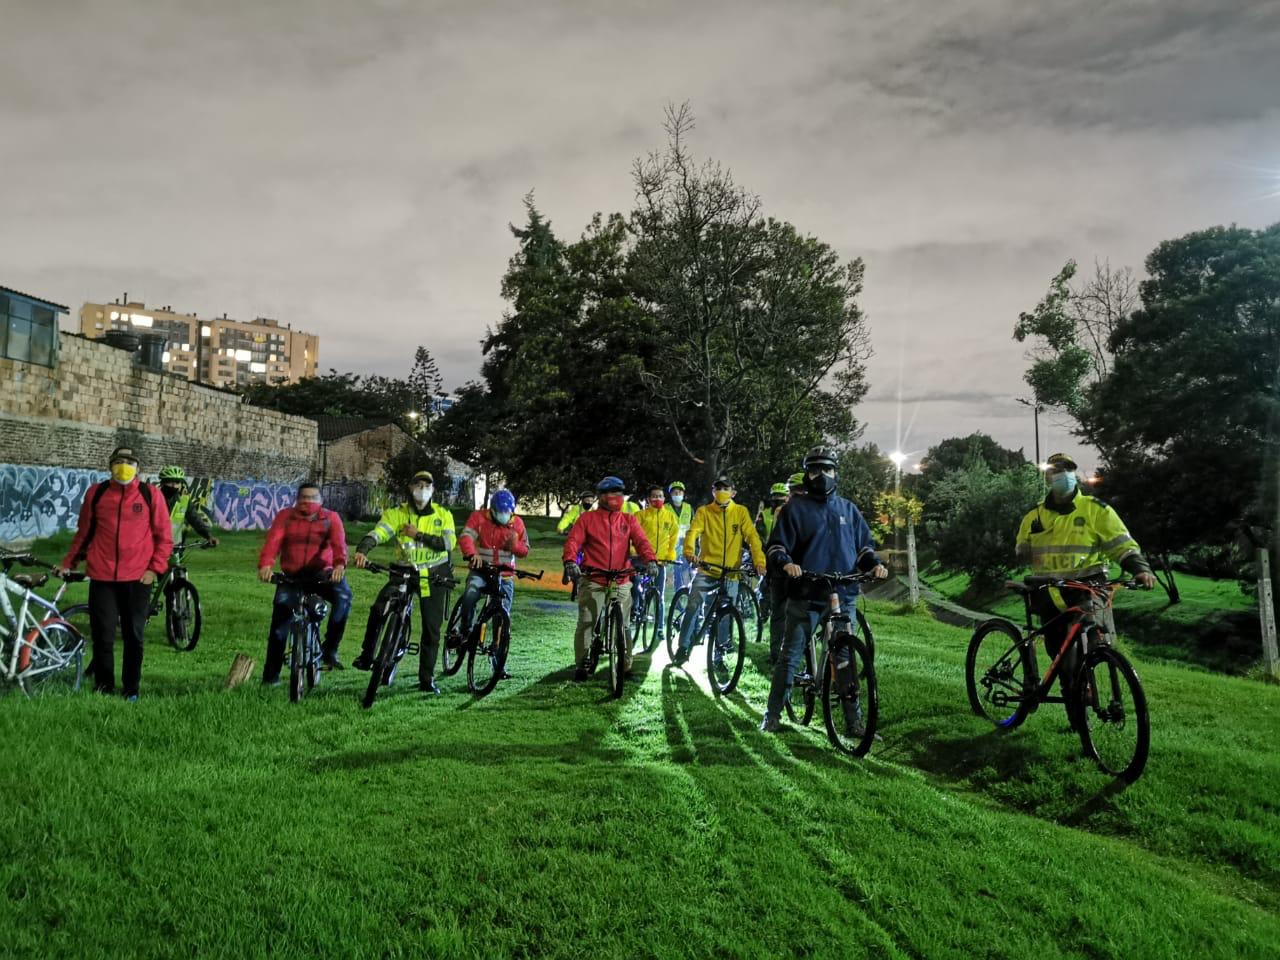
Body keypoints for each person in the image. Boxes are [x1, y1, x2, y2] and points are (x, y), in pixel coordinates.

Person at [761, 448, 888, 734]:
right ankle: (772, 715)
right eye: (815, 470)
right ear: (807, 474)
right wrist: (787, 563)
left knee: (845, 659)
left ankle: (854, 723)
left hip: (843, 592)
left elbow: (864, 547)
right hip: (807, 592)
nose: (822, 476)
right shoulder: (795, 508)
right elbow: (777, 546)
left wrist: (875, 565)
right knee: (791, 655)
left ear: (836, 473)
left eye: (827, 469)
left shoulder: (848, 509)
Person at [1015, 452, 1156, 692]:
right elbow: (1021, 552)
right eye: (1055, 470)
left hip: (1088, 588)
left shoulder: (1097, 510)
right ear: (1047, 478)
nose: (1063, 474)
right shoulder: (1034, 516)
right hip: (1049, 592)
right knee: (1061, 654)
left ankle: (1082, 687)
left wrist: (1140, 570)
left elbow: (1122, 544)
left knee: (1095, 641)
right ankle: (1072, 691)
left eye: (1067, 469)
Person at [56, 446, 172, 701]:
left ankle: (131, 689)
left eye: (129, 462)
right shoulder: (97, 494)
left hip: (138, 577)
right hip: (102, 577)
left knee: (134, 636)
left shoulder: (149, 494)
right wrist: (69, 563)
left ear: (138, 468)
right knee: (103, 635)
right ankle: (104, 686)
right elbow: (83, 534)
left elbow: (164, 537)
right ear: (110, 466)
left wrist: (155, 569)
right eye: (118, 461)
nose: (124, 466)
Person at [352, 470, 456, 693]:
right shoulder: (396, 513)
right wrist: (363, 550)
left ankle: (426, 679)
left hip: (434, 575)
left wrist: (418, 535)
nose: (422, 489)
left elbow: (448, 544)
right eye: (418, 484)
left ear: (433, 490)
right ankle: (367, 655)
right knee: (379, 609)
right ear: (410, 488)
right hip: (403, 572)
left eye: (427, 485)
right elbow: (379, 532)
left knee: (431, 628)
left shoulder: (443, 514)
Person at [563, 476, 658, 680]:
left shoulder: (628, 519)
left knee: (623, 625)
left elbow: (641, 541)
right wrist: (570, 561)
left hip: (621, 577)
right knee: (587, 621)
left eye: (620, 493)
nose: (617, 497)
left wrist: (650, 559)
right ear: (601, 496)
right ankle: (581, 664)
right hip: (594, 577)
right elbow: (573, 541)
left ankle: (626, 665)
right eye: (612, 492)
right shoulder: (587, 519)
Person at [257, 482, 352, 683]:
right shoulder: (285, 517)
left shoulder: (331, 518)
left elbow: (339, 544)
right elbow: (273, 542)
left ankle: (330, 649)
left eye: (312, 498)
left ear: (321, 500)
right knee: (279, 627)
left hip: (322, 576)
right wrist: (266, 565)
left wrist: (339, 566)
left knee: (343, 598)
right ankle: (271, 676)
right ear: (297, 499)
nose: (307, 502)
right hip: (292, 577)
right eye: (304, 498)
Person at [673, 475, 766, 664]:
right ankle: (682, 647)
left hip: (731, 572)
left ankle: (720, 652)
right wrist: (690, 552)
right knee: (693, 605)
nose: (722, 492)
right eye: (718, 488)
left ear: (733, 492)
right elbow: (693, 532)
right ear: (713, 492)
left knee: (726, 612)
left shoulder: (740, 512)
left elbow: (752, 537)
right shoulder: (704, 512)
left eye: (726, 488)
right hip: (707, 569)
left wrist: (759, 561)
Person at [456, 489, 530, 642]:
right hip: (481, 571)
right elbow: (466, 537)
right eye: (500, 511)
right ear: (492, 510)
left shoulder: (517, 523)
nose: (505, 514)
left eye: (508, 511)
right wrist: (472, 554)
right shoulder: (479, 518)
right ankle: (464, 631)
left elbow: (524, 550)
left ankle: (498, 654)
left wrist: (514, 547)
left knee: (503, 616)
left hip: (505, 575)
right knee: (470, 595)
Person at [762, 473, 805, 665]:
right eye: (795, 491)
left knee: (797, 614)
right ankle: (775, 654)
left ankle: (794, 653)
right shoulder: (784, 512)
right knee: (779, 612)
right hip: (780, 568)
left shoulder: (809, 512)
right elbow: (774, 542)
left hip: (801, 570)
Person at [634, 483, 678, 636]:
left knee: (660, 595)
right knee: (635, 586)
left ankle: (660, 627)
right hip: (641, 560)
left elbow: (673, 538)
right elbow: (633, 537)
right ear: (648, 499)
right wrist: (634, 552)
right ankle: (635, 610)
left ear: (664, 498)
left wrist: (670, 556)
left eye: (660, 496)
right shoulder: (640, 516)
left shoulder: (670, 517)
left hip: (660, 562)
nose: (657, 499)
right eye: (654, 496)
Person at [156, 465, 220, 547]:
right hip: (154, 545)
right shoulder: (153, 499)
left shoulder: (184, 501)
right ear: (162, 482)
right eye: (170, 481)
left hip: (175, 546)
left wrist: (208, 536)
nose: (173, 485)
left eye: (177, 482)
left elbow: (195, 519)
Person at [666, 481, 693, 591]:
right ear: (671, 494)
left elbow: (693, 526)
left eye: (679, 492)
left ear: (683, 494)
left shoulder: (689, 508)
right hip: (670, 544)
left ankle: (687, 592)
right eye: (675, 492)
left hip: (685, 544)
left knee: (685, 570)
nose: (677, 495)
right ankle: (675, 593)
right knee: (674, 571)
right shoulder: (665, 508)